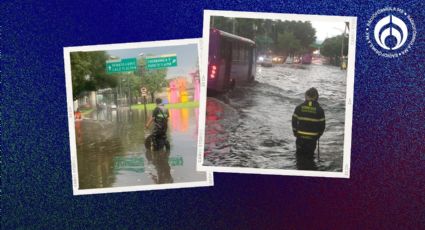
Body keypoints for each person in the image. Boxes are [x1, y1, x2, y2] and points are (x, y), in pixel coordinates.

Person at [292, 88, 326, 169]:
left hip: (300, 137)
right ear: (316, 96)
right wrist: (318, 135)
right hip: (312, 139)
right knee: (310, 157)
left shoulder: (299, 107)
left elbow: (294, 121)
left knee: (299, 156)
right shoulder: (320, 110)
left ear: (306, 95)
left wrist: (295, 132)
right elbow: (322, 126)